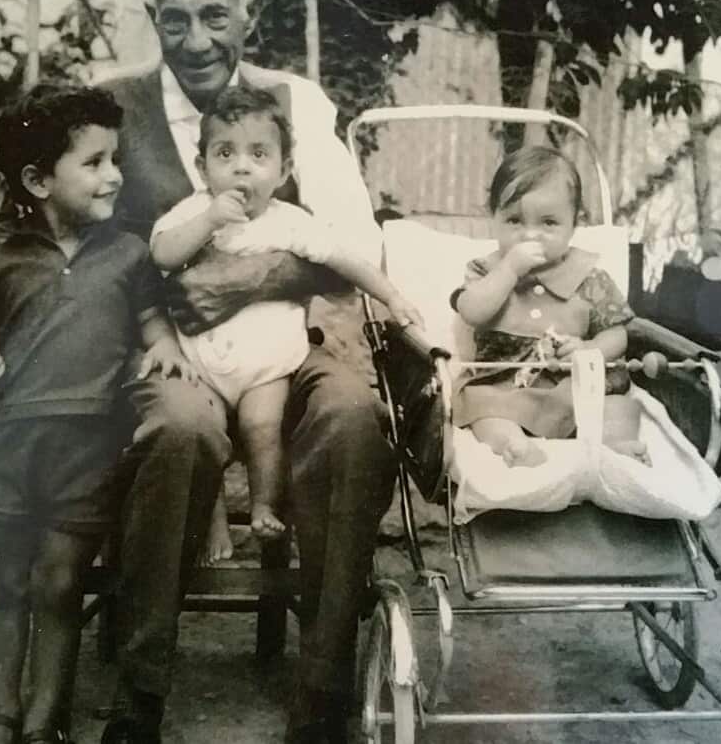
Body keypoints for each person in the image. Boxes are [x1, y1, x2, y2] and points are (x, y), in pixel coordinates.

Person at [98, 0, 395, 744]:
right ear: (152, 18)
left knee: (351, 420)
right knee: (177, 428)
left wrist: (256, 277)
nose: (197, 41)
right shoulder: (113, 107)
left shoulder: (296, 102)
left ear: (248, 12)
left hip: (290, 340)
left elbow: (355, 244)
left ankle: (322, 692)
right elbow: (97, 252)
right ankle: (140, 694)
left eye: (215, 16)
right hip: (171, 352)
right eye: (175, 20)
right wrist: (159, 307)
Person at [0, 85, 191, 744]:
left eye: (114, 159)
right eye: (93, 162)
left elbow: (153, 323)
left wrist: (168, 353)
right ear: (38, 179)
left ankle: (43, 724)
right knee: (6, 583)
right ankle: (2, 714)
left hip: (89, 449)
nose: (114, 174)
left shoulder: (128, 253)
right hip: (12, 447)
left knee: (60, 584)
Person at [150, 86, 422, 543]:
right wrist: (208, 221)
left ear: (283, 170)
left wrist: (392, 297)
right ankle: (212, 521)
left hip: (266, 369)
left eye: (259, 154)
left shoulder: (289, 221)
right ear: (202, 169)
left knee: (262, 427)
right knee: (201, 430)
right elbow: (162, 252)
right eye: (224, 153)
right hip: (202, 365)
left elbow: (344, 259)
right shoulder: (194, 211)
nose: (241, 166)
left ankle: (263, 505)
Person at [452, 145, 646, 467]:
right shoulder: (486, 270)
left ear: (574, 223)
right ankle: (514, 445)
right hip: (505, 386)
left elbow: (617, 335)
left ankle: (616, 447)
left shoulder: (590, 276)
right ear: (493, 218)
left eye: (549, 223)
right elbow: (472, 311)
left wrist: (590, 348)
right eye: (514, 220)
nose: (530, 234)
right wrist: (509, 270)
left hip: (575, 386)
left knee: (615, 407)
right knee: (481, 408)